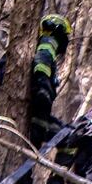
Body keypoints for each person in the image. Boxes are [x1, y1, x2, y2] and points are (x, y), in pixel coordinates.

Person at [25, 13, 72, 147]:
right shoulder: (48, 43)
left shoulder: (42, 44)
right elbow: (41, 64)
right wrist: (43, 90)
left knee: (65, 132)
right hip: (37, 110)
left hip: (37, 110)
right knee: (68, 136)